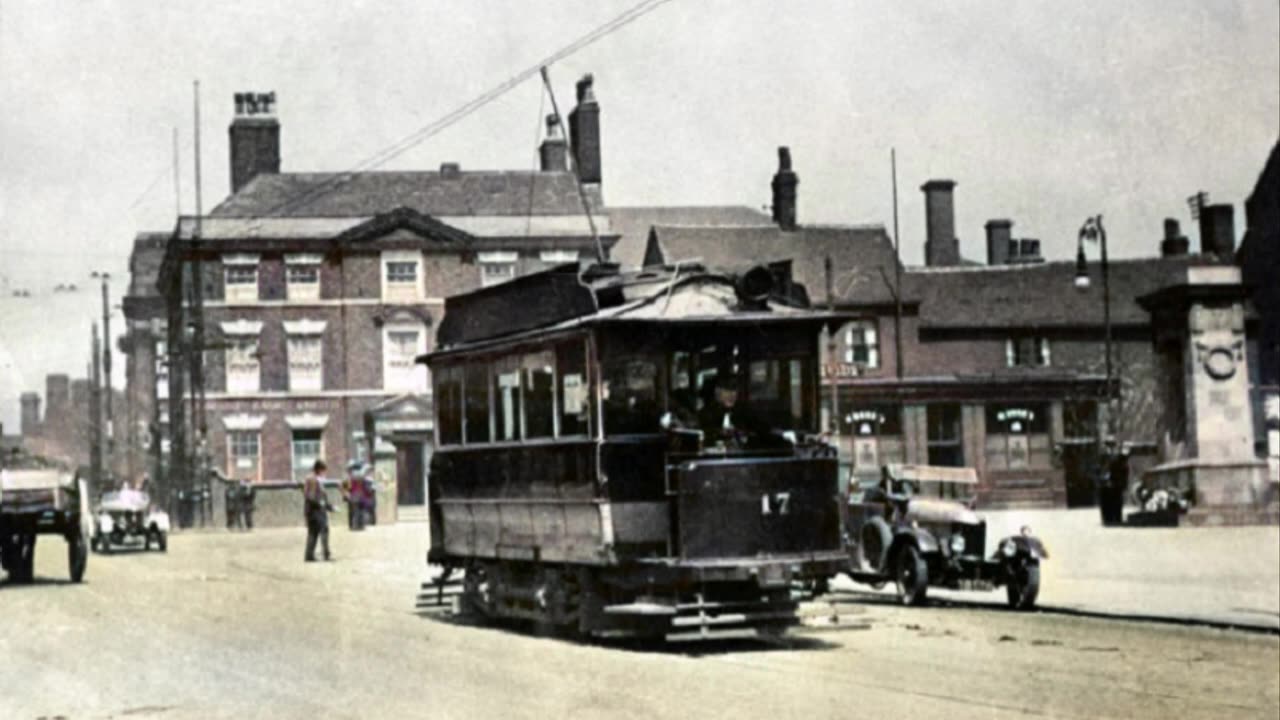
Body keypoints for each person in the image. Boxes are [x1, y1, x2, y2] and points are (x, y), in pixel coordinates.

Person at [303, 459, 334, 561]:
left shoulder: (314, 479)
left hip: (311, 510)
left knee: (313, 532)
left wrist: (330, 506)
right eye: (323, 470)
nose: (324, 473)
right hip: (316, 511)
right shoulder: (313, 479)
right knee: (324, 530)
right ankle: (326, 554)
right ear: (319, 469)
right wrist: (321, 503)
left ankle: (309, 555)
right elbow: (311, 496)